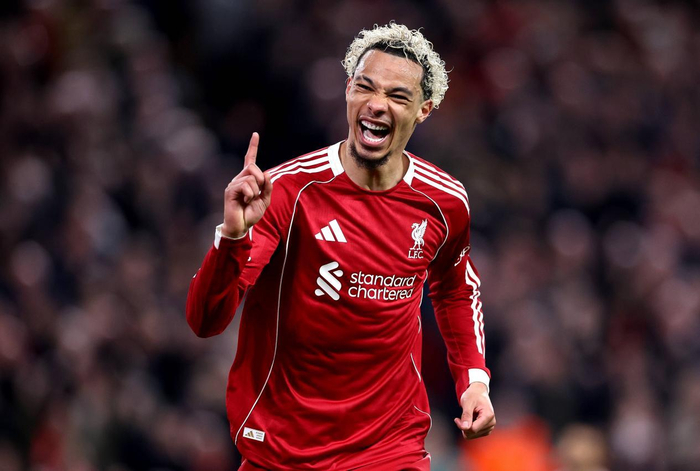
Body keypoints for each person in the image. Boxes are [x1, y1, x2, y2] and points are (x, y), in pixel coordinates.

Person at [186, 23, 495, 470]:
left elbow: (455, 288)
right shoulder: (287, 193)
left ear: (423, 110)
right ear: (348, 89)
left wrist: (474, 380)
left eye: (397, 95)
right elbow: (205, 321)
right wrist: (232, 236)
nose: (377, 104)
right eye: (365, 87)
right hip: (286, 449)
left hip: (390, 446)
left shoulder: (444, 202)